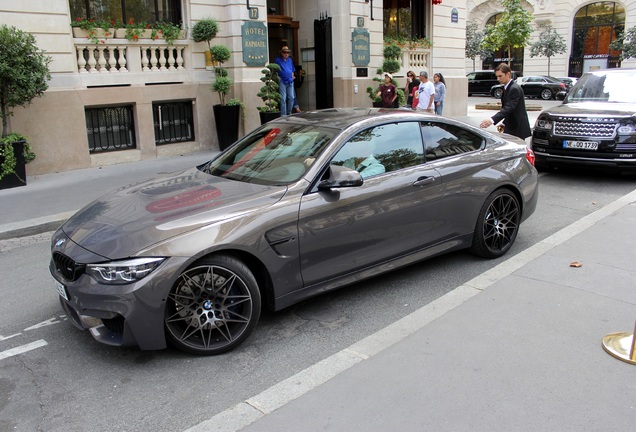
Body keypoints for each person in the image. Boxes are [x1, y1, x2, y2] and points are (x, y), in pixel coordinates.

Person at [479, 63, 531, 141]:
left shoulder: (514, 89)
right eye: (497, 76)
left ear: (508, 74)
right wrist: (504, 123)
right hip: (512, 126)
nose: (498, 79)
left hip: (517, 128)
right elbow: (509, 109)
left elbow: (509, 108)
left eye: (500, 76)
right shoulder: (508, 87)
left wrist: (491, 120)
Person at [274, 46, 296, 116]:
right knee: (283, 98)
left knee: (291, 97)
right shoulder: (278, 60)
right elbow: (275, 70)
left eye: (287, 53)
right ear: (282, 53)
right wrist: (278, 78)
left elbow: (292, 69)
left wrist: (292, 77)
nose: (286, 54)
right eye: (284, 52)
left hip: (290, 81)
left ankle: (289, 112)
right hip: (282, 81)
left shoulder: (290, 60)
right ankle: (283, 114)